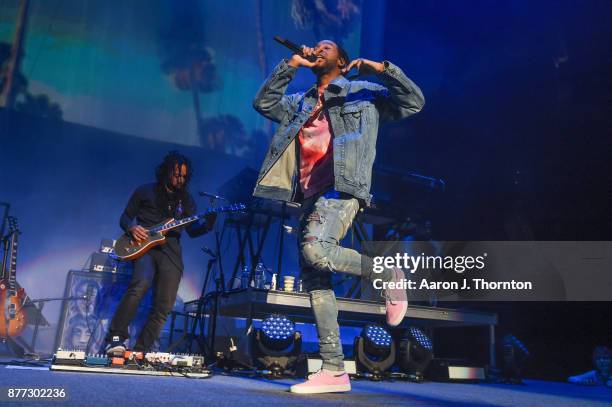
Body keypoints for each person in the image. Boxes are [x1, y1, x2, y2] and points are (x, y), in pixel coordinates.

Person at [252, 40, 424, 393]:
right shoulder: (300, 103)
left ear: (342, 60)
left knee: (317, 251)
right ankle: (334, 369)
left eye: (326, 47)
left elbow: (413, 102)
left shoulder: (362, 93)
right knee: (316, 279)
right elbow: (264, 103)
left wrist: (380, 69)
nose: (317, 49)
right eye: (314, 47)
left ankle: (388, 273)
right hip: (309, 196)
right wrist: (291, 64)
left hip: (343, 188)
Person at [105, 151, 216, 355]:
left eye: (183, 176)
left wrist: (208, 225)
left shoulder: (187, 201)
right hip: (144, 246)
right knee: (140, 285)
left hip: (171, 250)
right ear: (166, 172)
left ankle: (142, 349)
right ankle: (116, 338)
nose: (180, 179)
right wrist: (131, 228)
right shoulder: (144, 191)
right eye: (176, 175)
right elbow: (125, 217)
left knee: (165, 304)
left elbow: (192, 231)